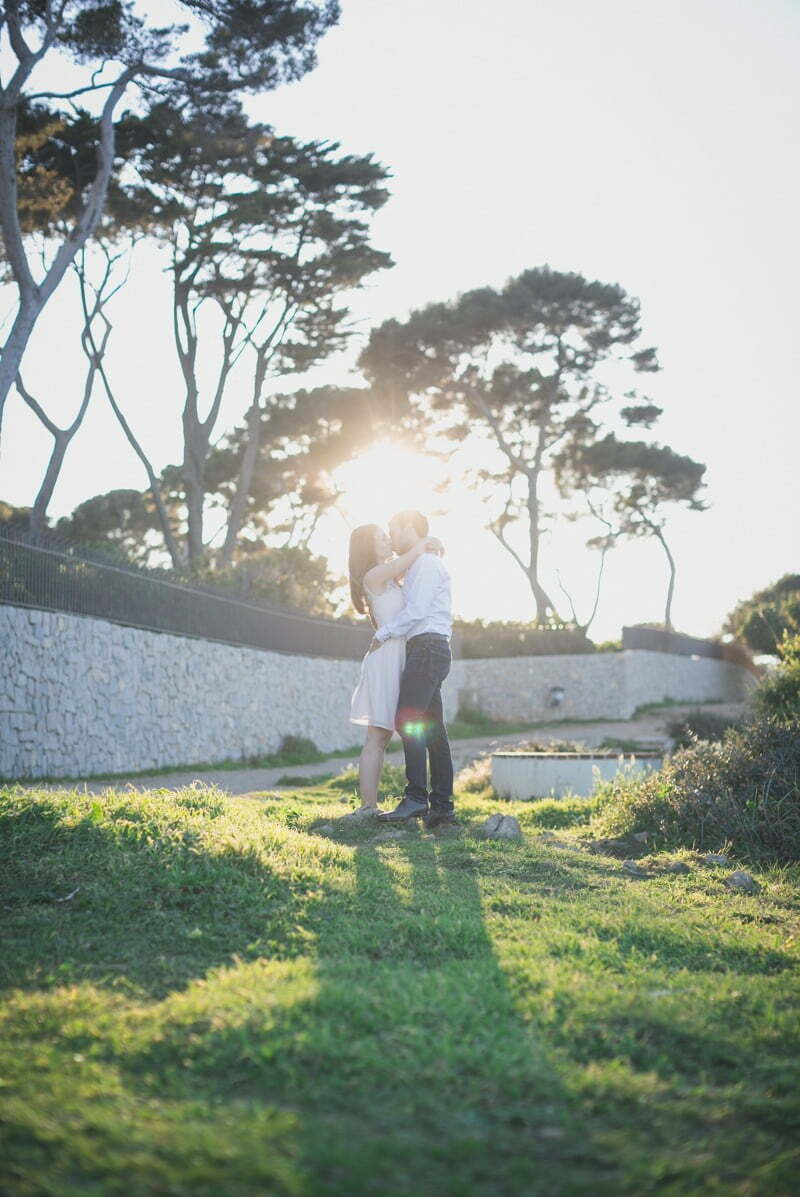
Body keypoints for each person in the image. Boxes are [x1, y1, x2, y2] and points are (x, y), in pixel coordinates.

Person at [348, 523, 443, 813]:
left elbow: (415, 569)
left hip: (403, 654)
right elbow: (411, 556)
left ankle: (391, 802)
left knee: (393, 732)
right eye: (381, 538)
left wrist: (429, 545)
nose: (388, 539)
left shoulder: (391, 576)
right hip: (387, 657)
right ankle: (368, 807)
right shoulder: (374, 575)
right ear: (368, 547)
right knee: (378, 734)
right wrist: (425, 540)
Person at [370, 510, 455, 828]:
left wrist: (383, 633)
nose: (391, 535)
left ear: (409, 528)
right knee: (433, 732)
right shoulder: (421, 562)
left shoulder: (427, 564)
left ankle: (417, 798)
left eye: (393, 528)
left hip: (427, 647)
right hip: (430, 647)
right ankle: (442, 808)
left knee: (407, 720)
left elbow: (418, 610)